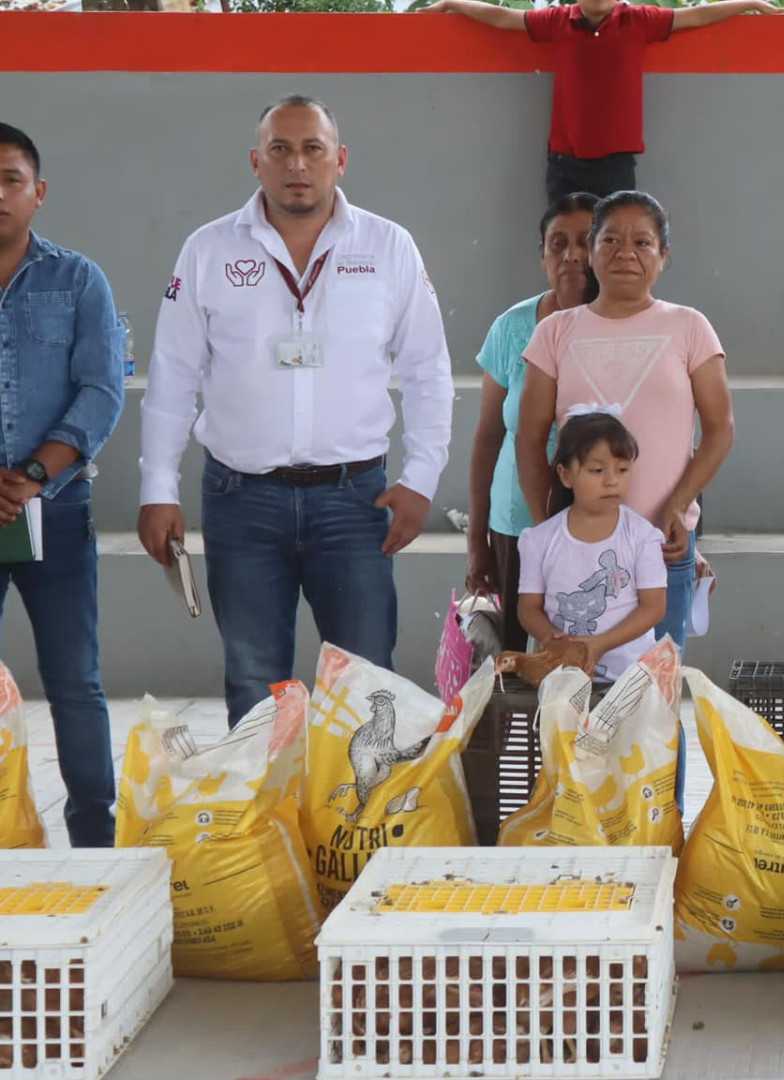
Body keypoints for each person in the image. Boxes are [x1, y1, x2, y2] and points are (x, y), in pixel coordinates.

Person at [139, 95, 454, 727]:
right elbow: (173, 375)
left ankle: (358, 825)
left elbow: (427, 369)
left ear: (340, 160)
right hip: (240, 500)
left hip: (355, 500)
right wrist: (157, 487)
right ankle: (266, 823)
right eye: (280, 149)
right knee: (256, 683)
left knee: (368, 686)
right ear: (256, 162)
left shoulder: (389, 247)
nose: (297, 163)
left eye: (313, 148)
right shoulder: (208, 251)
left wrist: (421, 479)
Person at [517, 190, 732, 651]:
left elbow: (720, 430)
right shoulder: (555, 332)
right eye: (611, 240)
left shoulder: (690, 326)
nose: (626, 253)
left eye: (643, 242)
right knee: (577, 692)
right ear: (591, 252)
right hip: (577, 550)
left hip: (662, 542)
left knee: (655, 694)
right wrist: (547, 534)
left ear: (664, 255)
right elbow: (530, 439)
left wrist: (678, 504)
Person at [0, 123, 124, 847]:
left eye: (11, 180)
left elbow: (101, 392)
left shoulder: (78, 280)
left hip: (58, 510)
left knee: (75, 683)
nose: (0, 195)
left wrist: (33, 477)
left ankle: (94, 846)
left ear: (38, 193)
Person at [424, 0, 780, 203]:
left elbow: (698, 15)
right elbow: (504, 18)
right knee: (568, 258)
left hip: (615, 165)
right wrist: (453, 4)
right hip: (564, 162)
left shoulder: (639, 20)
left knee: (612, 252)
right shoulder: (558, 21)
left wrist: (750, 3)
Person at [466, 192, 601, 651]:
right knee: (513, 667)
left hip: (599, 525)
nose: (572, 255)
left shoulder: (628, 329)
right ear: (543, 256)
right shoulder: (512, 327)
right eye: (557, 243)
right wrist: (477, 539)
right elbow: (487, 438)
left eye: (586, 241)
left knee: (586, 659)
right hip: (517, 527)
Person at [518, 408, 668, 681]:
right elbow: (528, 607)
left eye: (622, 470)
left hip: (631, 681)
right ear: (566, 475)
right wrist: (553, 640)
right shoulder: (539, 540)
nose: (612, 480)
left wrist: (600, 644)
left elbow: (654, 607)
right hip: (562, 679)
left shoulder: (643, 536)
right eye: (597, 470)